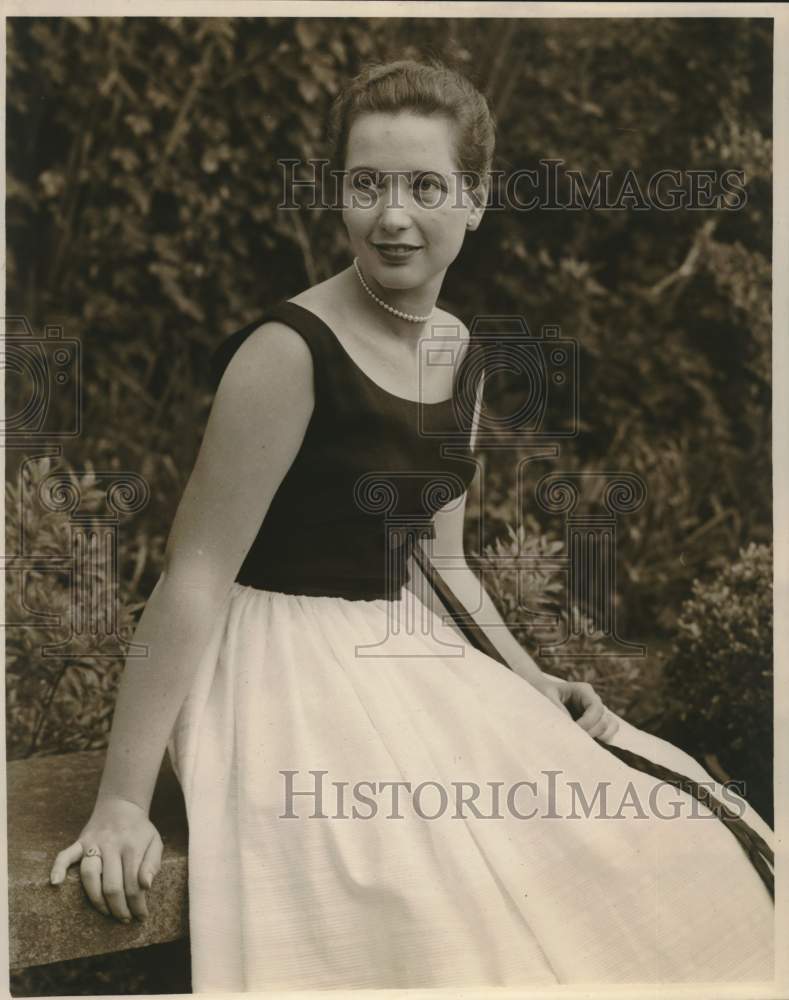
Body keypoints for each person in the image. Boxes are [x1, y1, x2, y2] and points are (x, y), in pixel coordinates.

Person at [50, 58, 773, 991]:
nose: (393, 215)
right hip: (270, 667)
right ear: (338, 194)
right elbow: (192, 576)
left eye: (426, 186)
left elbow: (442, 560)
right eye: (366, 184)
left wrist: (529, 681)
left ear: (474, 200)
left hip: (397, 649)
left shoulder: (459, 349)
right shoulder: (287, 353)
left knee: (642, 837)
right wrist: (121, 800)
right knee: (412, 891)